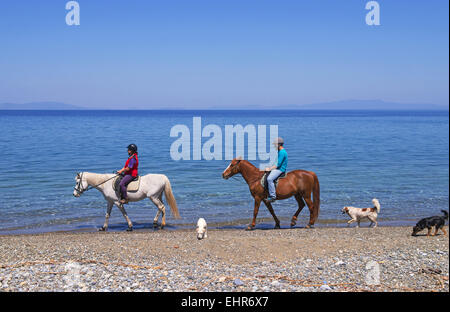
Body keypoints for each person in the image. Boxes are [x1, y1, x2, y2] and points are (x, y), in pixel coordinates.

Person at [265, 137, 288, 202]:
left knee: (269, 179)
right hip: (277, 168)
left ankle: (273, 196)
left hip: (280, 169)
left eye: (275, 144)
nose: (274, 146)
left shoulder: (282, 152)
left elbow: (278, 164)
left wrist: (269, 169)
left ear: (278, 144)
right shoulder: (280, 151)